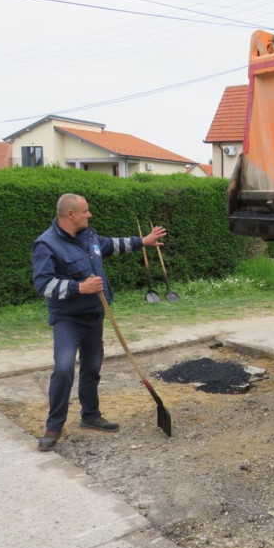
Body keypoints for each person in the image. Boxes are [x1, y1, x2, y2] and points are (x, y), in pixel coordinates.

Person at [32, 193, 166, 451]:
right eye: (85, 211)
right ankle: (54, 426)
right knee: (63, 369)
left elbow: (109, 245)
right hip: (68, 320)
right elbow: (43, 284)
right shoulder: (46, 244)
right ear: (70, 214)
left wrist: (143, 241)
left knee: (92, 367)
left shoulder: (88, 236)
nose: (90, 215)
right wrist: (78, 287)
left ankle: (90, 415)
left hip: (95, 314)